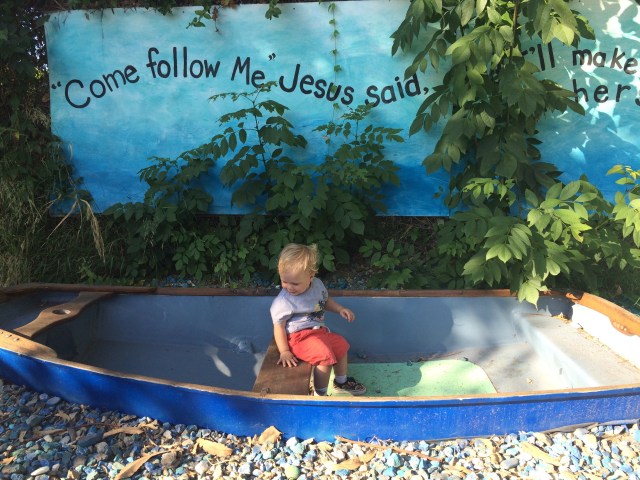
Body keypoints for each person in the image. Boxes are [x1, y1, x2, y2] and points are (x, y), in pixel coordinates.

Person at [270, 243, 366, 396]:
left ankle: (341, 382)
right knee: (324, 356)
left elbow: (324, 301)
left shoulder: (317, 285)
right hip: (298, 338)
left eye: (295, 283)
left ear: (311, 276)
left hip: (319, 333)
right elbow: (278, 326)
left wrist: (340, 309)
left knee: (341, 345)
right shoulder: (283, 301)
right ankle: (320, 394)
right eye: (284, 281)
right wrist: (284, 351)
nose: (289, 287)